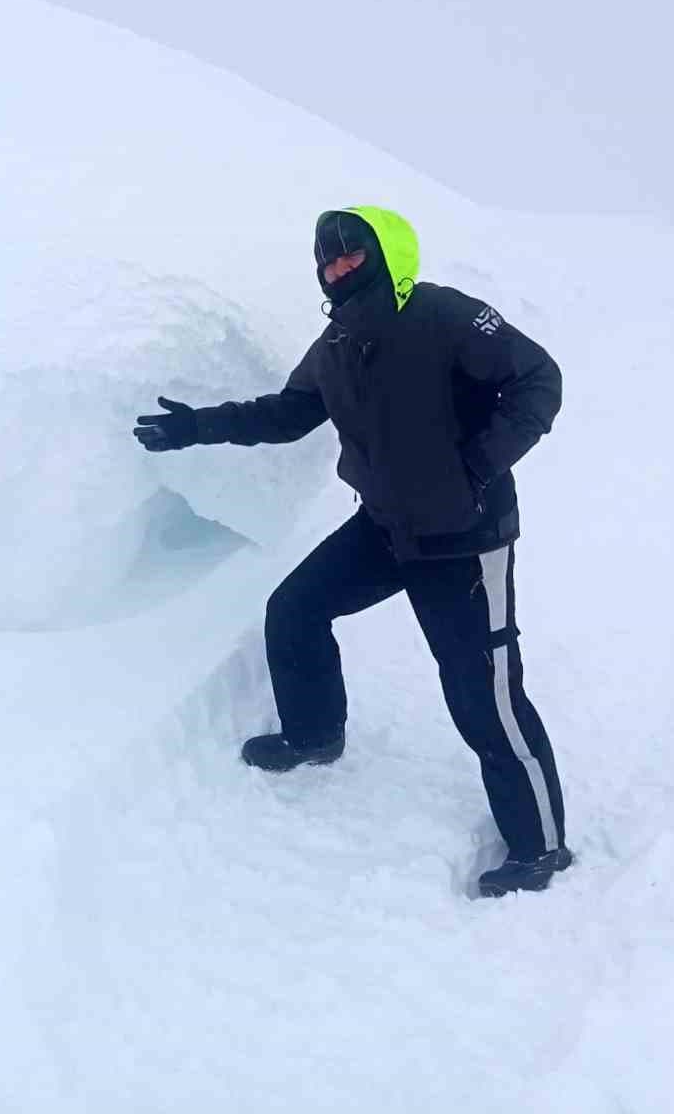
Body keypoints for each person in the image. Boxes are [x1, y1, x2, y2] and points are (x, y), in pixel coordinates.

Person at [133, 206, 570, 898]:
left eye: (351, 255)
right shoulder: (336, 346)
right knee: (296, 610)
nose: (338, 268)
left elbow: (539, 379)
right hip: (387, 528)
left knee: (483, 696)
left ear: (386, 253)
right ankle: (315, 734)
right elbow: (285, 415)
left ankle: (541, 846)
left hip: (465, 537)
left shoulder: (444, 316)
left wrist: (478, 463)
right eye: (327, 260)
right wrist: (196, 427)